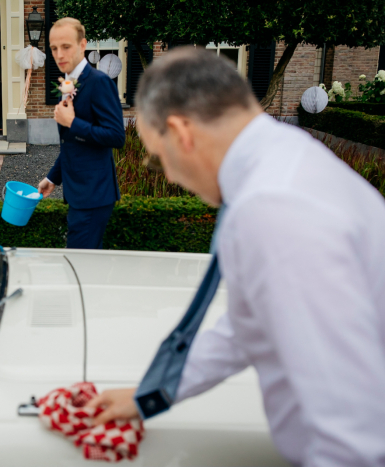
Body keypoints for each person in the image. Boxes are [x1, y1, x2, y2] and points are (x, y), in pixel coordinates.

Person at [85, 47, 385, 467]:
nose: (168, 174)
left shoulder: (272, 210)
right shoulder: (286, 153)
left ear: (181, 133)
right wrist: (149, 395)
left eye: (158, 157)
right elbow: (248, 326)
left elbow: (351, 438)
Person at [37, 18, 125, 249]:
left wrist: (73, 122)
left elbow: (117, 136)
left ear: (82, 45)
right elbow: (72, 144)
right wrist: (52, 178)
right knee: (83, 265)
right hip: (79, 193)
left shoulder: (100, 82)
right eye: (54, 48)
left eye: (66, 46)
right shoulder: (67, 84)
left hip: (94, 195)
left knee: (79, 265)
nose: (59, 54)